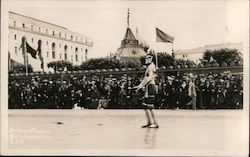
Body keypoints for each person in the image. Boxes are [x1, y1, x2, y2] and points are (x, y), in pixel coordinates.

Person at [133, 52, 159, 128]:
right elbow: (145, 78)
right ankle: (150, 122)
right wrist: (139, 86)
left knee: (150, 107)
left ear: (151, 59)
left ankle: (155, 123)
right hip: (148, 87)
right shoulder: (149, 67)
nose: (146, 59)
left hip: (151, 87)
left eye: (148, 58)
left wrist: (141, 86)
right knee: (145, 106)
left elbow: (150, 77)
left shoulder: (151, 67)